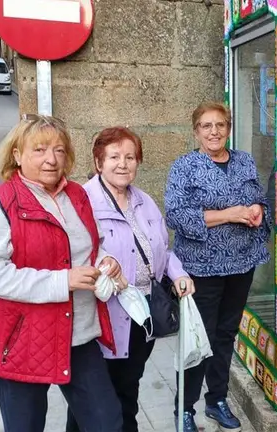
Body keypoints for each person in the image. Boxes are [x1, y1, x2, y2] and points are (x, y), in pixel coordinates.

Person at [0, 114, 125, 431]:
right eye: (39, 149)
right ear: (17, 155)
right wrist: (62, 281)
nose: (51, 159)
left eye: (59, 150)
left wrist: (105, 260)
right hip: (25, 341)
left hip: (79, 334)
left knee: (107, 422)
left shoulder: (77, 195)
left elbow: (87, 246)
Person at [64, 127, 196, 432]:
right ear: (99, 162)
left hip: (141, 313)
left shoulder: (144, 201)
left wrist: (178, 274)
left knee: (127, 388)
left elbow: (162, 249)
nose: (123, 164)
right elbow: (75, 254)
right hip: (102, 319)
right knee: (94, 401)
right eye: (114, 157)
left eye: (130, 157)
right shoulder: (83, 201)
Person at [165, 102, 271, 432]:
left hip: (242, 263)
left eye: (220, 125)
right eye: (207, 125)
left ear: (228, 128)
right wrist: (230, 214)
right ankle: (184, 409)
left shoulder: (244, 161)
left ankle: (217, 400)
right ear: (196, 131)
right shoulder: (184, 167)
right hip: (200, 268)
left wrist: (257, 210)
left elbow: (261, 199)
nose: (214, 131)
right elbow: (176, 216)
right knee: (199, 338)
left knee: (226, 334)